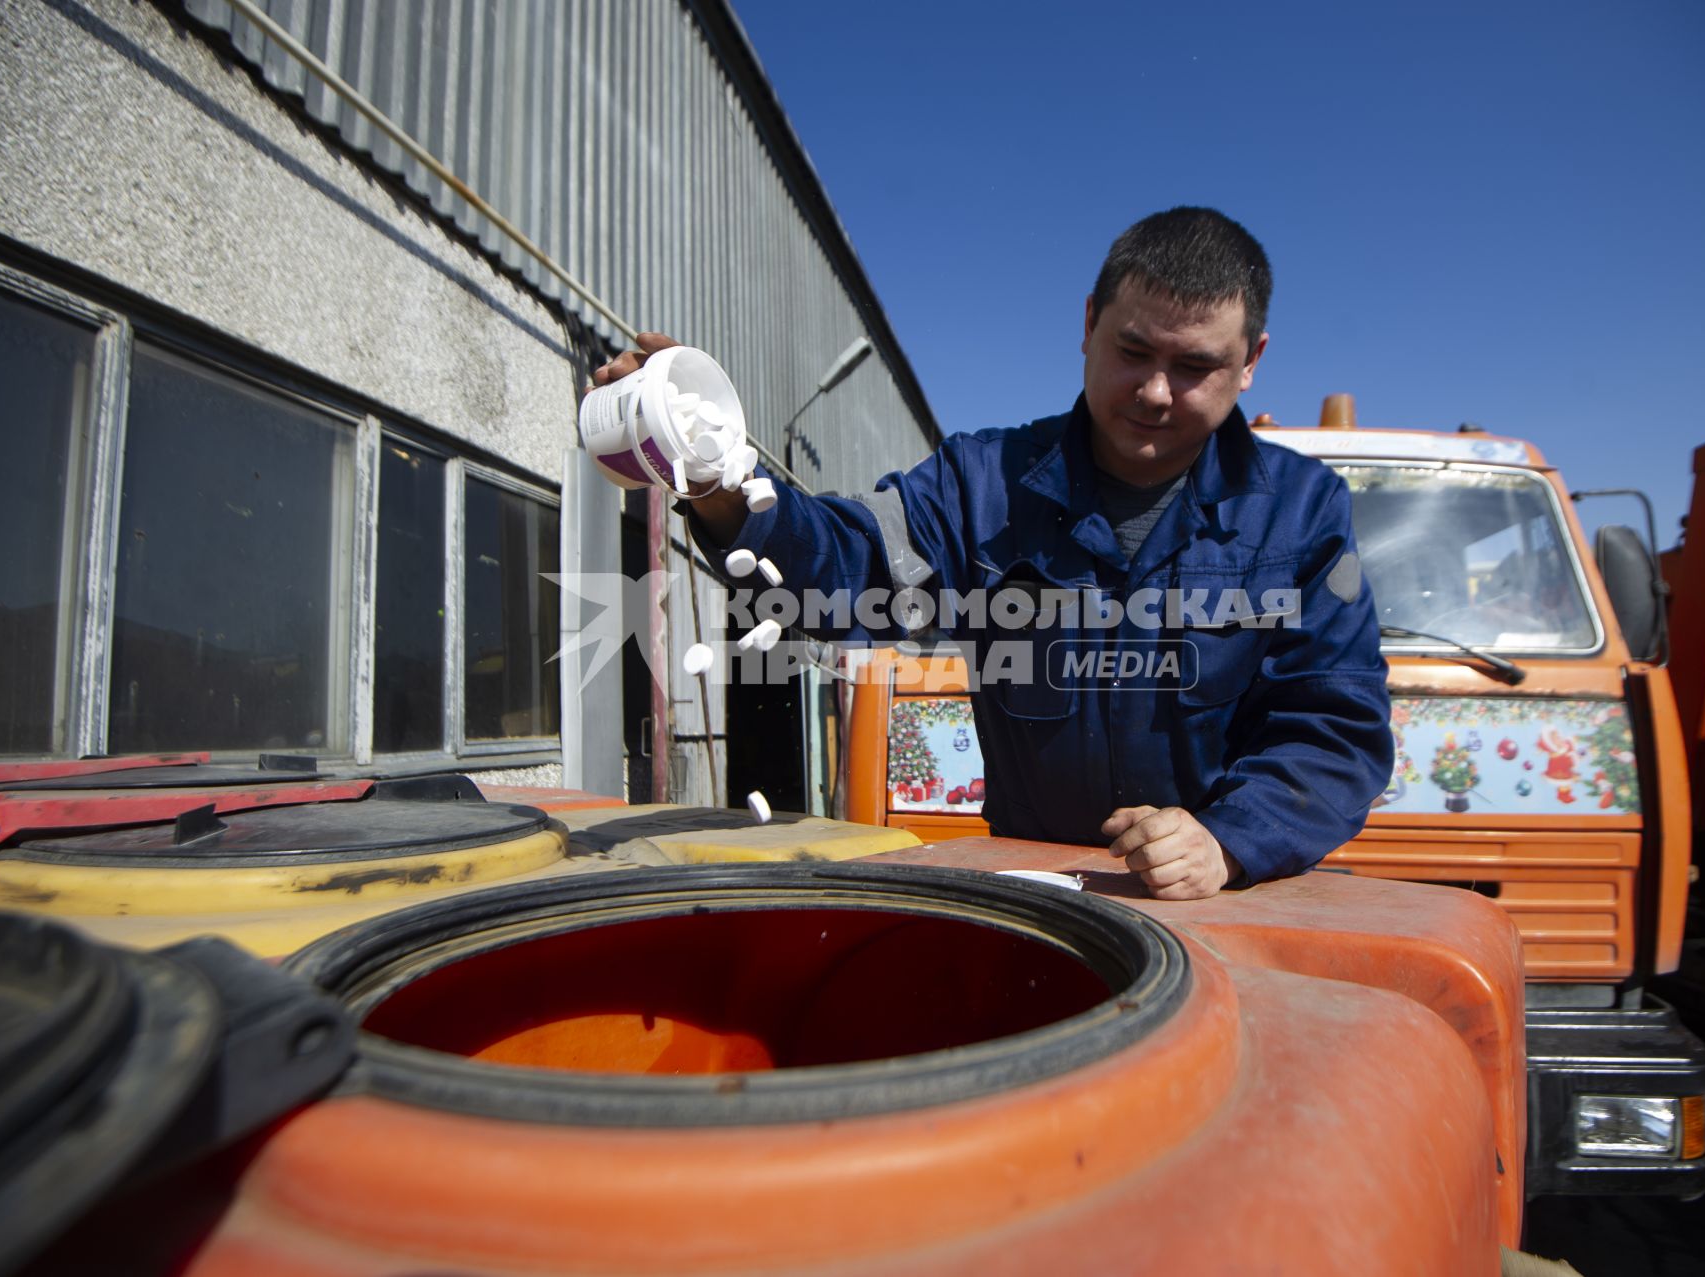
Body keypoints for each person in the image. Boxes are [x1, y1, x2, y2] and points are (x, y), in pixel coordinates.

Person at [590, 207, 1392, 899]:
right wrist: (718, 475)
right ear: (1087, 325)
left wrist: (1227, 841)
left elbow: (1334, 728)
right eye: (1134, 351)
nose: (1154, 391)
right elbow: (845, 566)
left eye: (1193, 367)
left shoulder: (1301, 512)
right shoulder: (980, 485)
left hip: (1224, 906)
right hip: (1039, 897)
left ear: (1250, 362)